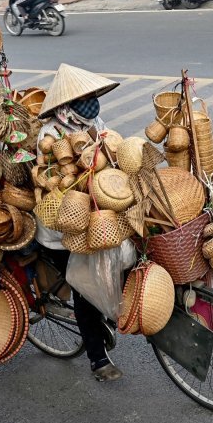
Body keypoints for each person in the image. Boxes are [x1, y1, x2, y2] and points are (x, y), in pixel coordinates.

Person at [35, 66, 128, 382]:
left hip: (96, 213)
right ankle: (98, 359)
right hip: (64, 227)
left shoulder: (94, 123)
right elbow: (57, 186)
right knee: (86, 288)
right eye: (83, 99)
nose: (91, 103)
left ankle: (110, 309)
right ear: (67, 104)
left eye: (92, 97)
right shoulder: (50, 136)